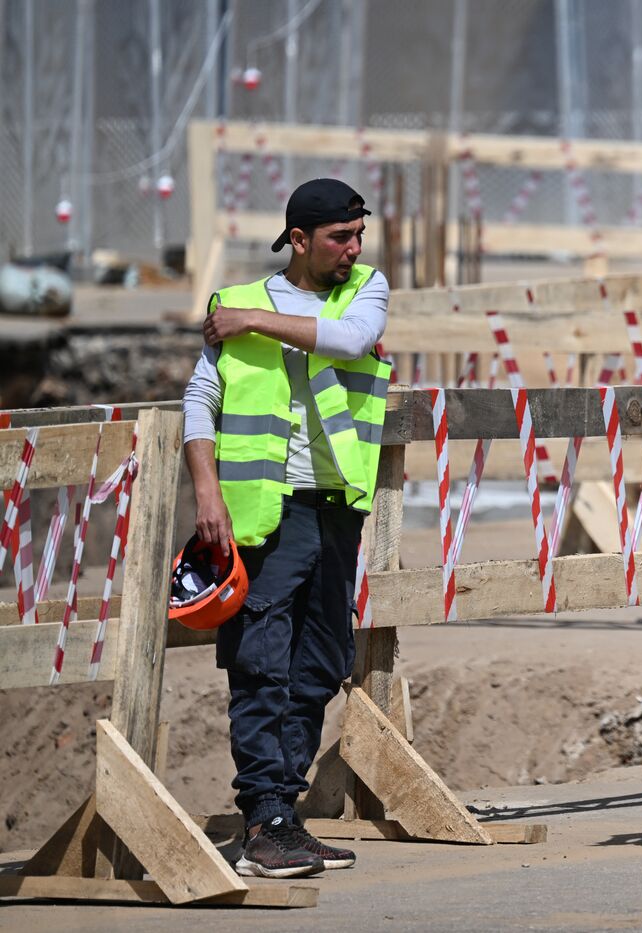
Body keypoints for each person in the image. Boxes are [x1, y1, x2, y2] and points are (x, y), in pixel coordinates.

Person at [182, 178, 391, 878]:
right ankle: (264, 815)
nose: (353, 248)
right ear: (299, 240)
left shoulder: (363, 289)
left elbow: (353, 338)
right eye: (340, 237)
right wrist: (205, 489)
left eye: (359, 235)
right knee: (262, 662)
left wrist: (256, 324)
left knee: (323, 661)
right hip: (264, 510)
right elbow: (199, 402)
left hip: (336, 506)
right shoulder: (235, 303)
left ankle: (284, 816)